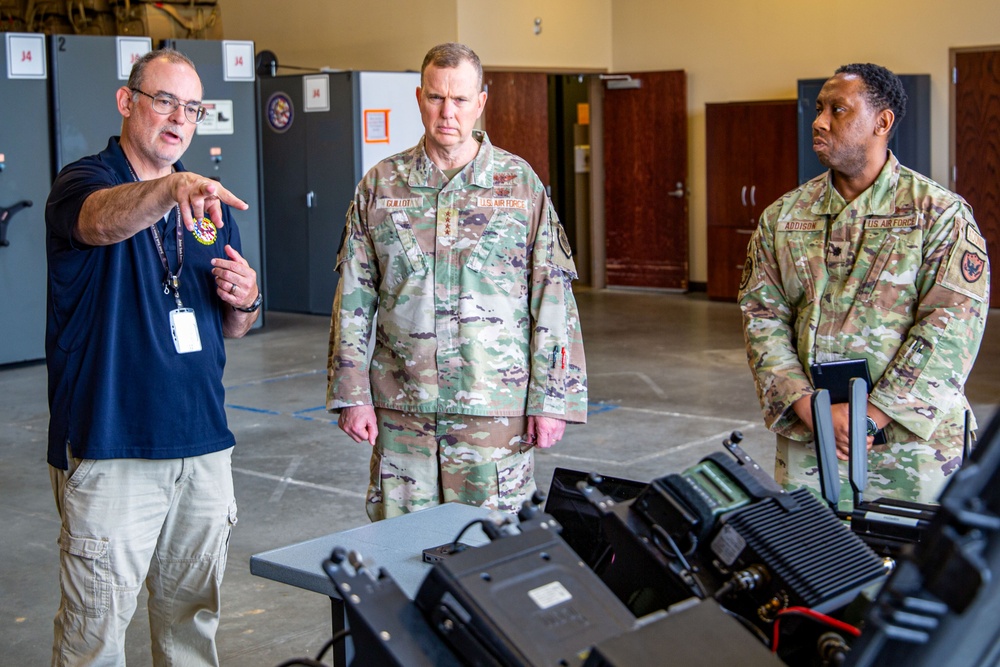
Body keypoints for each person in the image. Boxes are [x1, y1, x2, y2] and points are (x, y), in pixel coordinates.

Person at [45, 48, 261, 665]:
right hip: (112, 447)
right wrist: (169, 189)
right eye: (164, 100)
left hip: (201, 445)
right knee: (95, 638)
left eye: (191, 107)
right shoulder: (84, 183)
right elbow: (101, 223)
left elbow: (235, 328)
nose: (178, 117)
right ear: (126, 101)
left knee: (192, 633)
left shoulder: (208, 205)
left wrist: (247, 299)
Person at [327, 42, 587, 522]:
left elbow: (552, 297)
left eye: (460, 99)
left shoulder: (519, 185)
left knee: (490, 554)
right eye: (435, 97)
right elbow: (353, 297)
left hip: (495, 412)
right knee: (400, 553)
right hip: (403, 411)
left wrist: (551, 400)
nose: (447, 112)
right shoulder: (381, 186)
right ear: (419, 97)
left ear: (481, 102)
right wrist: (352, 393)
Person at [739, 63, 990, 509]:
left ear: (883, 122)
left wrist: (868, 420)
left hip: (911, 448)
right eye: (819, 109)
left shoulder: (938, 214)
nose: (819, 121)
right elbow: (762, 318)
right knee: (815, 567)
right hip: (812, 443)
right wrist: (808, 408)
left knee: (908, 570)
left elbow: (950, 329)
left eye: (838, 109)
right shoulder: (783, 217)